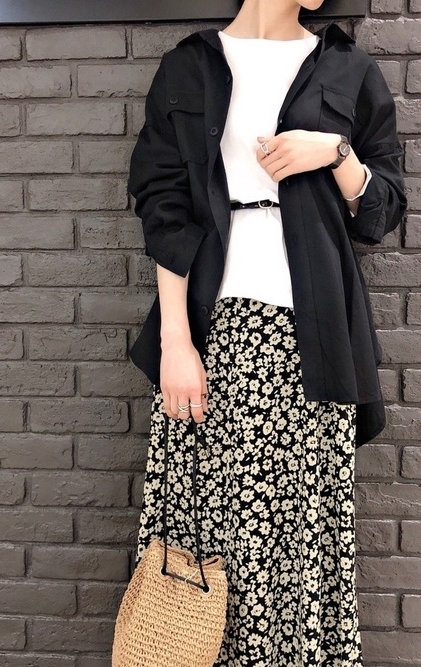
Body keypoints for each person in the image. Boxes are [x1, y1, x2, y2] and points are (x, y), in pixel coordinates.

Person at [127, 1, 406, 665]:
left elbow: (382, 210)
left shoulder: (347, 68)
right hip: (212, 333)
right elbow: (163, 208)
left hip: (314, 340)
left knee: (297, 538)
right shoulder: (189, 67)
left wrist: (333, 152)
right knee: (204, 532)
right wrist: (175, 342)